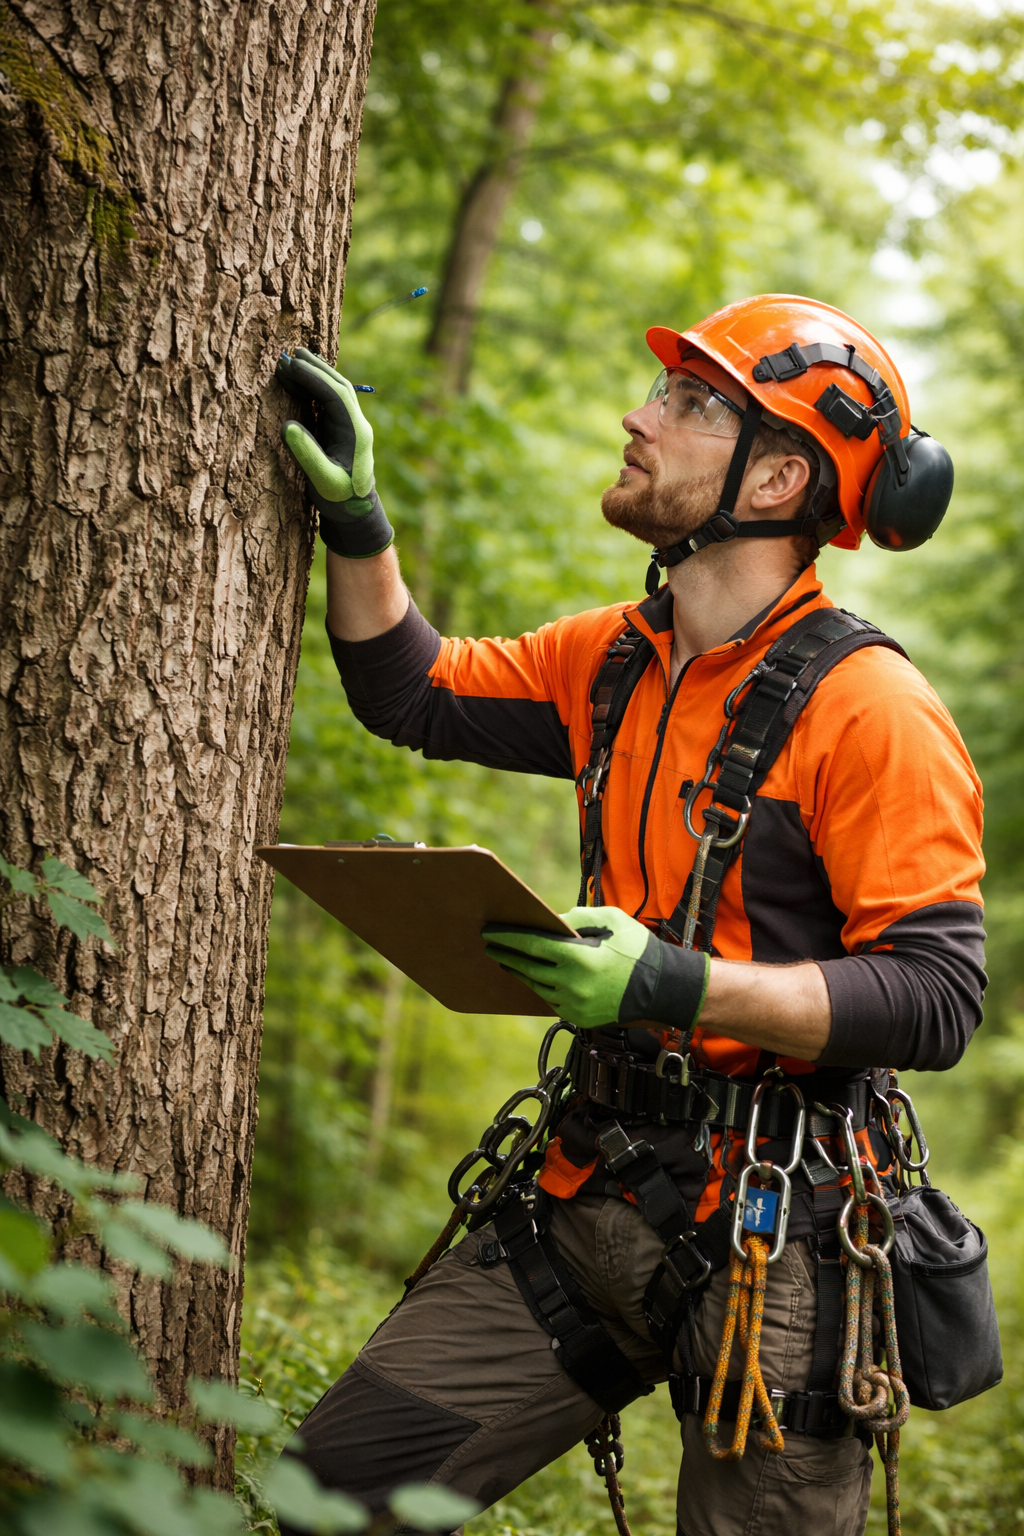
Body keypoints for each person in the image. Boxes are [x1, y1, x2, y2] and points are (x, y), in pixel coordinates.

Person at [273, 295, 984, 1536]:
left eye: (691, 403)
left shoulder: (870, 709)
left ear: (775, 479)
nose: (639, 416)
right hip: (595, 1183)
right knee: (337, 1492)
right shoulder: (615, 661)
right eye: (664, 391)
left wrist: (675, 985)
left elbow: (933, 996)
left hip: (786, 1236)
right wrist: (354, 518)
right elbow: (413, 693)